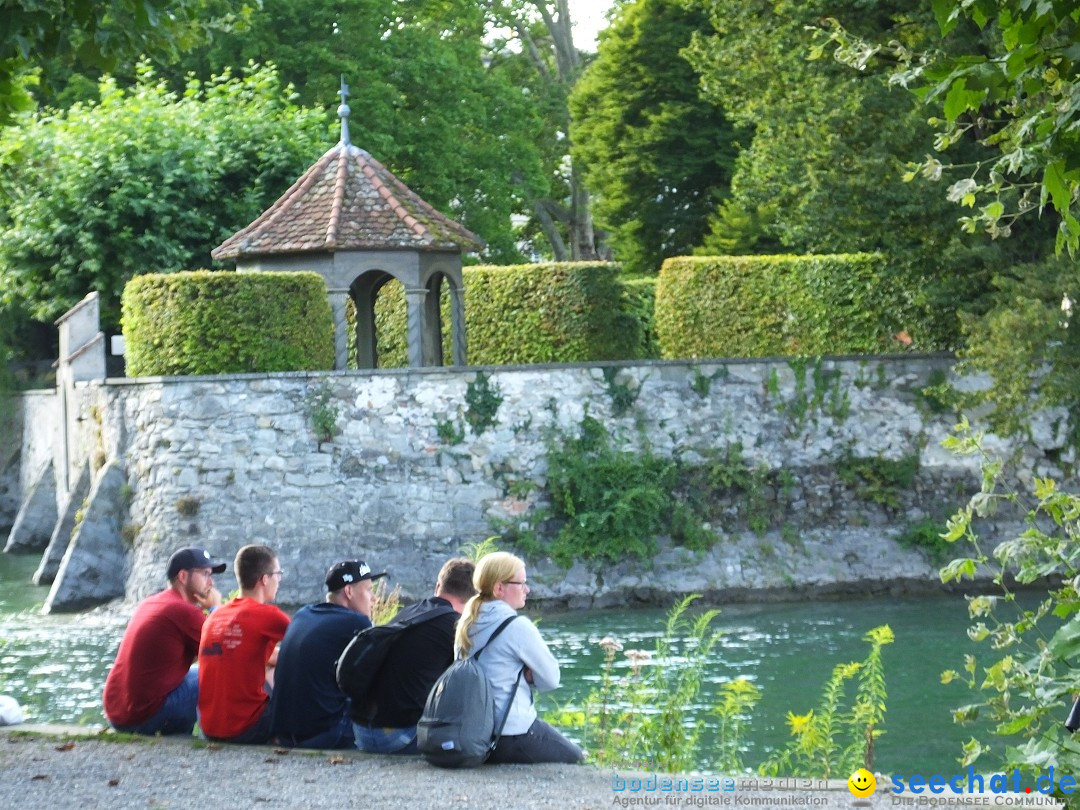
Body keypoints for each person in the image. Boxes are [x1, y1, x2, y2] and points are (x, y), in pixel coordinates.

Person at [455, 551, 583, 764]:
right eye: (521, 583)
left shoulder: (465, 623)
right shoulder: (517, 626)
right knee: (576, 757)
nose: (527, 589)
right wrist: (529, 677)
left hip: (474, 735)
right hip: (511, 734)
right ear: (499, 588)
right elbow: (552, 679)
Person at [353, 557, 476, 754]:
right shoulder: (455, 626)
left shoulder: (410, 612)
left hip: (361, 731)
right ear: (474, 598)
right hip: (396, 737)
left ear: (438, 586)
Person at [103, 546, 225, 735]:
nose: (211, 582)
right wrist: (216, 608)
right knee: (217, 675)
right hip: (141, 717)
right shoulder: (184, 611)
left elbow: (180, 658)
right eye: (205, 574)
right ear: (183, 577)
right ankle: (219, 736)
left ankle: (178, 735)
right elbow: (228, 653)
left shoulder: (153, 601)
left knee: (195, 673)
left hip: (117, 712)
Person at [270, 559, 387, 749]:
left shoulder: (303, 614)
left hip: (284, 732)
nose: (374, 598)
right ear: (349, 592)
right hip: (323, 734)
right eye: (368, 590)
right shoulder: (357, 623)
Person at [197, 544, 290, 744]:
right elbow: (308, 645)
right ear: (265, 579)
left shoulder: (215, 616)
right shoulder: (268, 615)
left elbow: (243, 651)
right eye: (278, 574)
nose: (279, 580)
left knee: (270, 668)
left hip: (209, 728)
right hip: (245, 729)